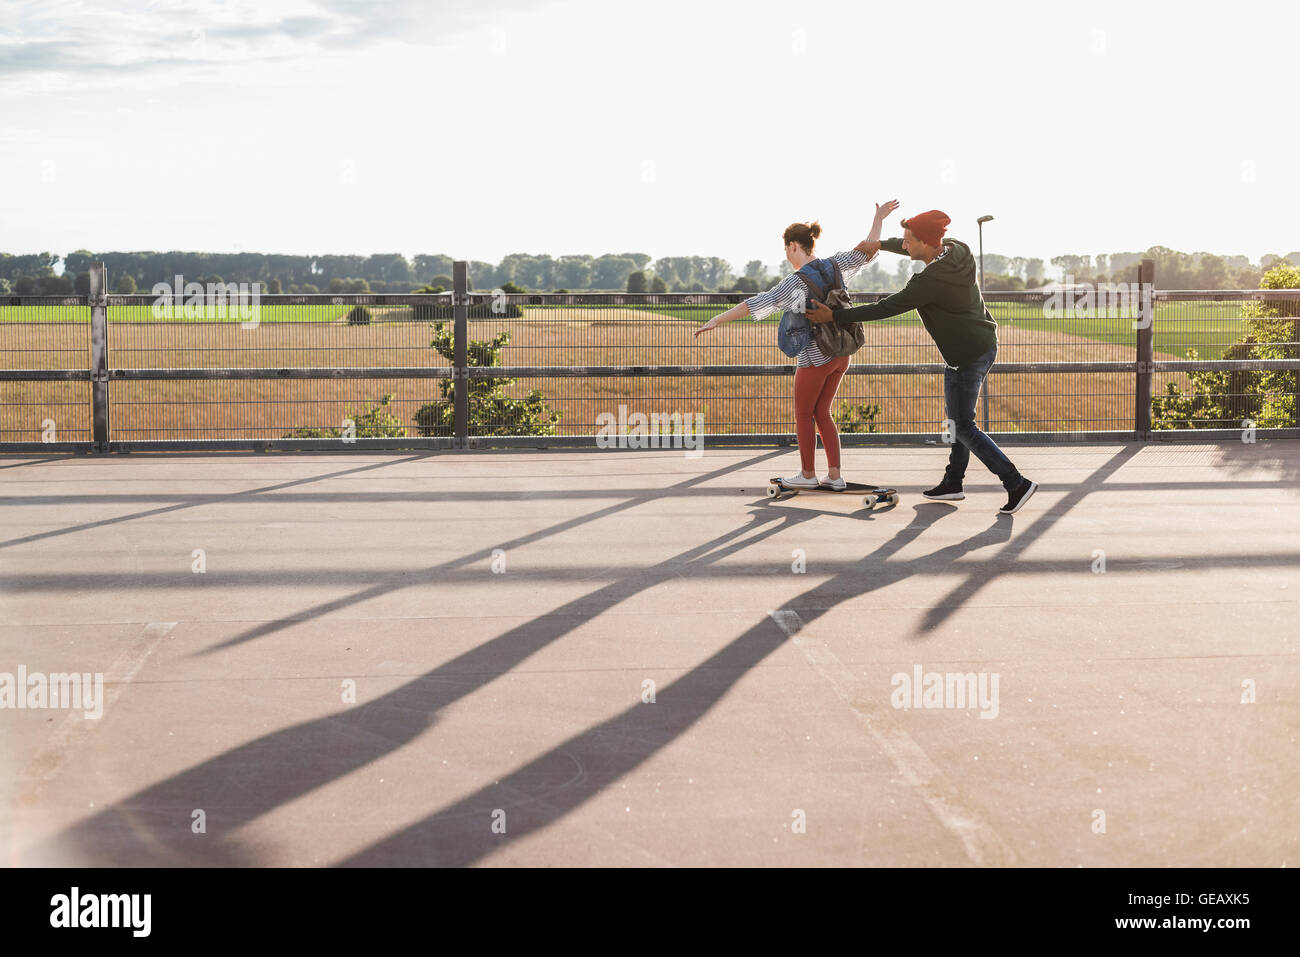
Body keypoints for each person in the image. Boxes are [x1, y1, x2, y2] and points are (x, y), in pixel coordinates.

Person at [807, 209, 1038, 514]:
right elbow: (909, 244)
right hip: (972, 348)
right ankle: (953, 482)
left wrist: (834, 315)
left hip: (970, 354)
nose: (904, 246)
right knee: (958, 420)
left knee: (963, 425)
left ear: (927, 244)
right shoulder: (957, 249)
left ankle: (1016, 482)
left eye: (908, 242)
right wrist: (881, 244)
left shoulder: (929, 282)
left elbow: (884, 308)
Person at [694, 201, 899, 490]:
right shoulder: (836, 264)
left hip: (816, 356)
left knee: (804, 414)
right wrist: (878, 218)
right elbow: (868, 249)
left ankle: (807, 475)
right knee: (823, 413)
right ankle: (836, 476)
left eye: (786, 250)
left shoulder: (794, 283)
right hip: (843, 353)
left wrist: (717, 318)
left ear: (793, 246)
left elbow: (755, 304)